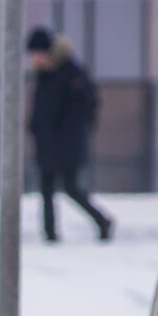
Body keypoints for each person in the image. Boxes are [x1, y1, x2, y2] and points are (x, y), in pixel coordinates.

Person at [26, 27, 115, 243]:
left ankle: (102, 220)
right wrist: (35, 127)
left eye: (37, 53)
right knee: (46, 189)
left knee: (71, 188)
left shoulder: (71, 72)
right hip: (47, 141)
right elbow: (41, 107)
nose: (34, 59)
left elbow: (83, 108)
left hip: (67, 143)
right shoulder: (44, 75)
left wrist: (66, 132)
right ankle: (49, 234)